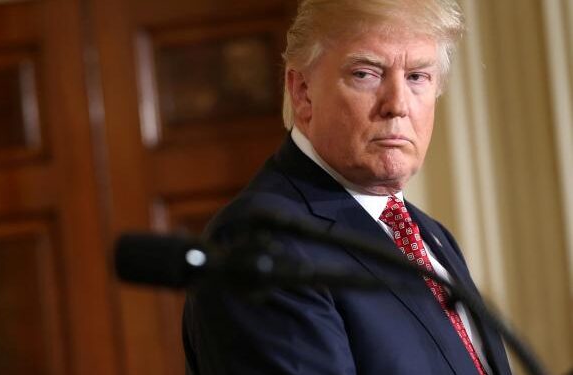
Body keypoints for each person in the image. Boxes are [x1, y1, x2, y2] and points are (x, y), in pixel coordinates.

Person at [183, 0, 512, 374]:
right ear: (303, 91)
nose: (397, 105)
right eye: (366, 74)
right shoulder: (260, 242)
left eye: (417, 77)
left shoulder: (432, 236)